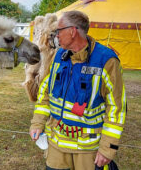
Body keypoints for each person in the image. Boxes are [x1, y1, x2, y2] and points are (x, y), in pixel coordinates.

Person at [29, 10, 126, 170]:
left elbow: (117, 108)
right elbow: (45, 93)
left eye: (59, 31)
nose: (56, 36)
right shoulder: (59, 56)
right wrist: (37, 123)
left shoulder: (106, 61)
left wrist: (108, 148)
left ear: (72, 31)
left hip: (87, 149)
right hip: (56, 146)